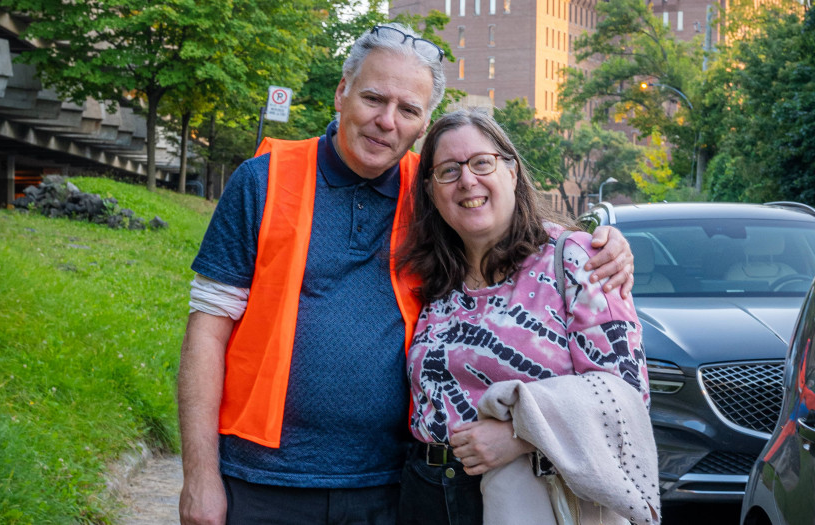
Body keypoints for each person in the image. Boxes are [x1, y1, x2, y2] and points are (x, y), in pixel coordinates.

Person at [178, 24, 635, 525]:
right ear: (342, 91)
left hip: (390, 487)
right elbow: (206, 333)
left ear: (423, 123)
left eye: (408, 110)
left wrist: (597, 244)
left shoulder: (432, 194)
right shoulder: (261, 182)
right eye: (374, 98)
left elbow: (497, 217)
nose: (385, 121)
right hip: (263, 482)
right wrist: (200, 477)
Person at [396, 109, 659, 525]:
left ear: (513, 172)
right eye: (448, 171)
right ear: (430, 190)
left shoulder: (575, 259)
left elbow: (626, 396)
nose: (467, 180)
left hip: (532, 495)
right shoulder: (432, 276)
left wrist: (521, 438)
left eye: (482, 163)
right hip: (427, 495)